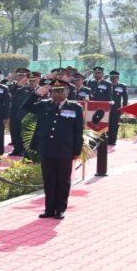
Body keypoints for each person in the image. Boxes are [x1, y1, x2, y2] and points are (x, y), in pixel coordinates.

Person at [25, 81, 84, 220]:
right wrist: (36, 94)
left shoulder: (75, 108)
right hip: (46, 149)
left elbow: (78, 131)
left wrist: (77, 151)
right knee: (49, 180)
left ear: (67, 92)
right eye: (55, 91)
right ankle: (49, 209)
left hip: (65, 150)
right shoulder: (44, 105)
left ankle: (60, 209)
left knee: (63, 181)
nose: (57, 94)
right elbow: (26, 107)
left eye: (60, 91)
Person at [108, 71, 128, 147]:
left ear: (118, 78)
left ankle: (113, 140)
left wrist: (124, 108)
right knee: (107, 124)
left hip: (116, 109)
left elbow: (125, 98)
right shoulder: (107, 85)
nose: (113, 79)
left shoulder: (122, 86)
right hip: (107, 109)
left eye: (115, 78)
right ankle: (107, 140)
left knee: (115, 125)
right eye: (112, 78)